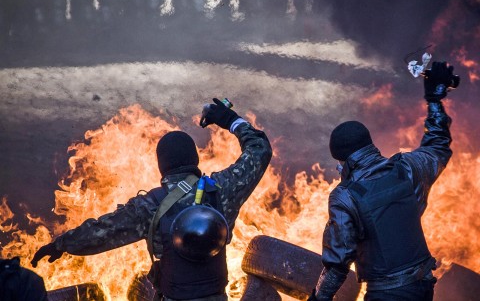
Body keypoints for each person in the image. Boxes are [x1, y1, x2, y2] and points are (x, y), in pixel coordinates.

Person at [31, 98, 272, 301]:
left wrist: (61, 244)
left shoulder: (149, 207)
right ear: (194, 161)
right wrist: (230, 120)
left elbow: (102, 233)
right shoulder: (222, 190)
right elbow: (259, 150)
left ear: (162, 166)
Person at [308, 62, 457, 301]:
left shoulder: (345, 195)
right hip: (423, 287)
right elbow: (438, 144)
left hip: (386, 293)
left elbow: (338, 263)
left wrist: (319, 298)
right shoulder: (406, 169)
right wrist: (434, 100)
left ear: (342, 160)